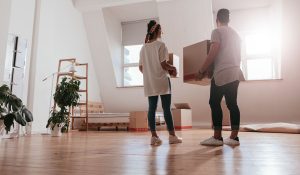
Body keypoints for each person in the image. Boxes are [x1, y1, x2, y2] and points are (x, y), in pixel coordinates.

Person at [198, 9, 245, 146]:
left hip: (222, 73)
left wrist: (202, 70)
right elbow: (238, 56)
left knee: (214, 102)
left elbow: (213, 51)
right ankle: (234, 138)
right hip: (235, 72)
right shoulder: (236, 34)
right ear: (228, 19)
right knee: (232, 104)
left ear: (217, 19)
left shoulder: (217, 31)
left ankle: (217, 137)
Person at [139, 20, 182, 146]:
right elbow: (164, 65)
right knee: (166, 109)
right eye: (161, 30)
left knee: (151, 108)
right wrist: (173, 68)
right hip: (162, 81)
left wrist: (150, 74)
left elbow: (141, 68)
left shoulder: (143, 48)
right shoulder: (161, 45)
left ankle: (154, 136)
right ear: (157, 31)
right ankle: (172, 136)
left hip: (150, 82)